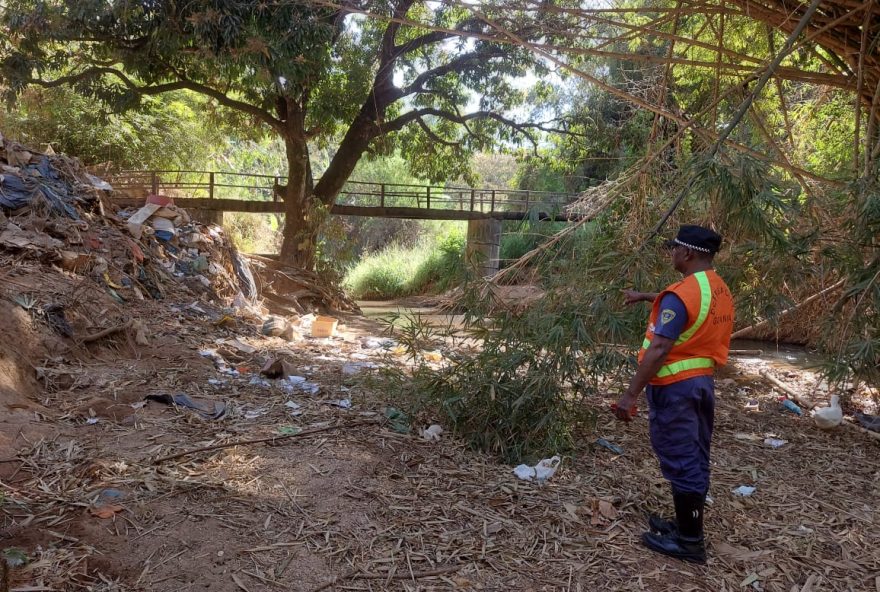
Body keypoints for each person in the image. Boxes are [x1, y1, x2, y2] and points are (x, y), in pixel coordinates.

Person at [614, 224, 734, 564]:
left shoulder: (683, 295)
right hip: (700, 384)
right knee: (694, 454)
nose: (672, 254)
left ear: (689, 254)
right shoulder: (715, 286)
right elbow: (689, 308)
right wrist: (647, 297)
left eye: (675, 249)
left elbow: (660, 346)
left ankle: (689, 541)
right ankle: (684, 525)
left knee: (681, 458)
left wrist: (629, 395)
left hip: (676, 388)